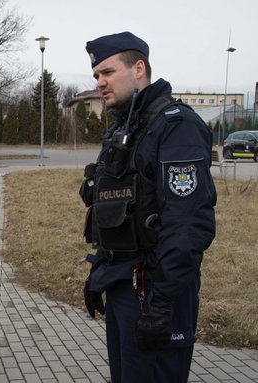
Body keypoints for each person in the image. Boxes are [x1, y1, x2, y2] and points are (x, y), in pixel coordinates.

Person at [79, 32, 216, 383]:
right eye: (96, 75)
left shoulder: (175, 126)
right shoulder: (126, 129)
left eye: (107, 72)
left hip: (157, 290)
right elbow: (114, 211)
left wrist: (162, 303)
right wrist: (99, 274)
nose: (100, 82)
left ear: (138, 68)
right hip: (124, 284)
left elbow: (187, 225)